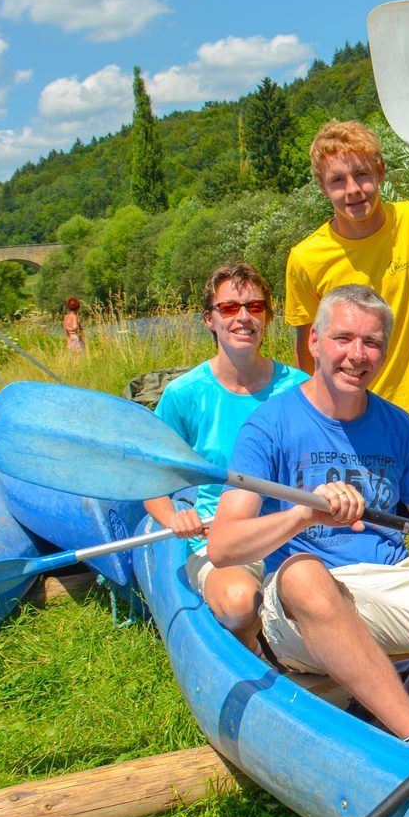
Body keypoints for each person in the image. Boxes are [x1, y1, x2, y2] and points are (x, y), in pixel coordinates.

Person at [207, 285, 409, 752]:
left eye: (372, 342)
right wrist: (302, 514)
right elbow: (223, 546)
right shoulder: (269, 425)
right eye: (343, 339)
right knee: (303, 575)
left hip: (389, 583)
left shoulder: (399, 426)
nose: (357, 355)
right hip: (304, 610)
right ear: (315, 342)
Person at [283, 119, 409, 487]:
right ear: (322, 187)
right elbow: (309, 351)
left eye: (362, 175)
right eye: (337, 180)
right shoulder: (306, 258)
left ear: (381, 172)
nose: (353, 190)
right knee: (361, 533)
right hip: (346, 419)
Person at [143, 262, 307, 651]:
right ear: (210, 320)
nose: (244, 318)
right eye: (230, 308)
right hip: (219, 534)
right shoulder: (184, 394)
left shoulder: (301, 388)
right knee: (238, 604)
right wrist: (172, 517)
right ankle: (258, 657)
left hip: (294, 527)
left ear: (267, 316)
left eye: (255, 307)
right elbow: (150, 476)